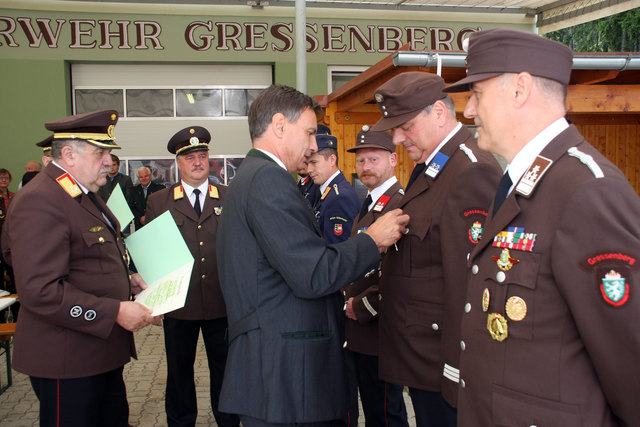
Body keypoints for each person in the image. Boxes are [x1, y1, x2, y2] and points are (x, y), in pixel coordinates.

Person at [443, 27, 640, 427]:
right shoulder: (526, 180)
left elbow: (629, 356)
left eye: (477, 94)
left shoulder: (587, 190)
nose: (468, 111)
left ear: (520, 89)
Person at [216, 84, 410, 427]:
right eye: (308, 132)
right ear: (279, 125)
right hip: (286, 375)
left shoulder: (251, 177)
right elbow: (312, 274)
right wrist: (371, 240)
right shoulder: (268, 181)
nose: (312, 146)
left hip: (275, 368)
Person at [1, 109, 159, 426]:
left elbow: (85, 260)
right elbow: (40, 291)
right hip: (67, 359)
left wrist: (127, 281)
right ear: (69, 155)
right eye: (100, 153)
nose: (108, 162)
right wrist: (114, 311)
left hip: (97, 354)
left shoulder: (80, 193)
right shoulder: (41, 200)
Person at [370, 71, 501, 427]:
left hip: (442, 363)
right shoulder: (434, 165)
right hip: (420, 356)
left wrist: (455, 369)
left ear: (439, 114)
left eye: (405, 126)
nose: (397, 138)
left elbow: (470, 284)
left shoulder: (470, 171)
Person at [145, 126, 239, 427]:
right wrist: (155, 302)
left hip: (221, 303)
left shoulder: (228, 195)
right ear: (178, 162)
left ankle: (227, 420)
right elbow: (153, 253)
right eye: (190, 158)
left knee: (225, 371)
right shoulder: (159, 201)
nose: (198, 162)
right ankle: (181, 421)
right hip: (178, 305)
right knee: (179, 372)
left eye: (202, 156)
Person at [343, 125, 408, 427]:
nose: (365, 167)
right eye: (361, 161)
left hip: (379, 330)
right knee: (374, 412)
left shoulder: (399, 205)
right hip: (362, 334)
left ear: (394, 160)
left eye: (374, 159)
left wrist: (362, 306)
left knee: (385, 415)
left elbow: (400, 276)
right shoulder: (369, 204)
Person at [307, 132, 360, 245]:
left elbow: (338, 250)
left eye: (314, 162)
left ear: (332, 160)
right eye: (307, 164)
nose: (309, 170)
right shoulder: (325, 192)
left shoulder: (340, 197)